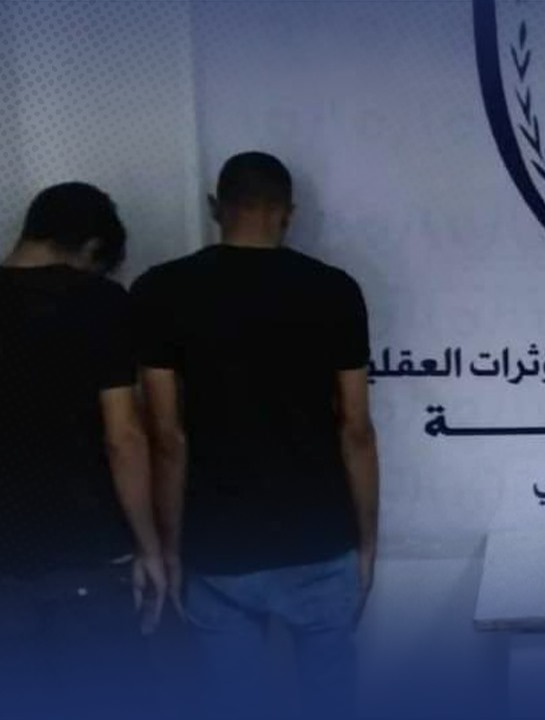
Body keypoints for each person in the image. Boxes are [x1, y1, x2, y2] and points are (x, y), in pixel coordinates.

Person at [132, 152, 379, 718]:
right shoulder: (334, 291)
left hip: (219, 545)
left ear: (215, 207)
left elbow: (166, 437)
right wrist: (366, 543)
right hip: (320, 538)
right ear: (288, 213)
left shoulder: (162, 290)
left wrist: (169, 549)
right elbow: (356, 430)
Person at [0, 183, 166, 718]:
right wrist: (150, 547)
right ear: (93, 248)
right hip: (87, 554)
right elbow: (124, 439)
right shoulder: (100, 302)